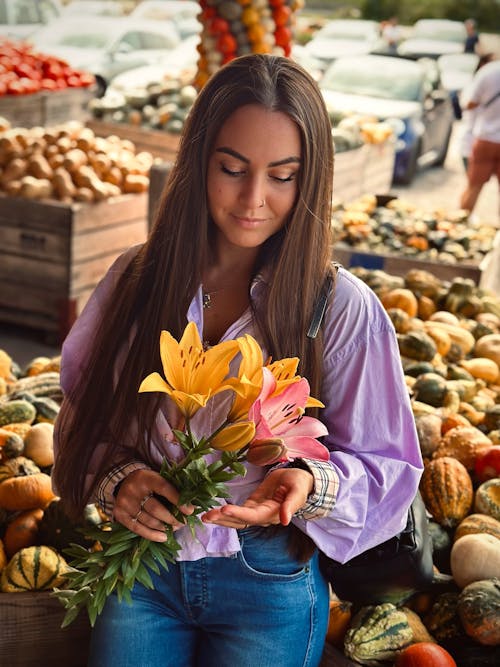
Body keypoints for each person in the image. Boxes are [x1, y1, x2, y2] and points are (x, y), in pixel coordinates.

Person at [53, 54, 423, 667]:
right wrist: (120, 480)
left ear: (312, 180)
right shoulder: (136, 281)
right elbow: (83, 414)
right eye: (232, 168)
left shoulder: (341, 308)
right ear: (198, 160)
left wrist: (306, 484)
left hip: (270, 581)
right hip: (142, 572)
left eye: (283, 175)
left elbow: (389, 467)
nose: (254, 199)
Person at [459, 58, 500, 215]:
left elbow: (469, 103)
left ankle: (461, 226)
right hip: (487, 137)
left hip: (486, 138)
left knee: (473, 186)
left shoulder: (489, 71)